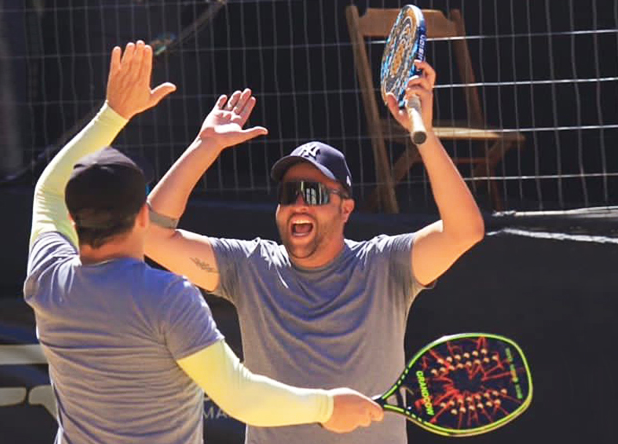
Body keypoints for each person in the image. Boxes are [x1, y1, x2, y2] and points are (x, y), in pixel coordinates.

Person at [23, 41, 383, 444]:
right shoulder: (166, 296)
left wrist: (113, 113)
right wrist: (328, 407)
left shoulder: (47, 276)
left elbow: (47, 193)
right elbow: (240, 397)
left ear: (73, 220)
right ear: (144, 215)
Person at [143, 59, 485, 444]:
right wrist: (205, 147)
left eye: (315, 194)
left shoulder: (384, 264)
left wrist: (424, 135)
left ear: (346, 209)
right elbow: (151, 237)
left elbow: (464, 231)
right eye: (289, 194)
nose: (299, 205)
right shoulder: (252, 267)